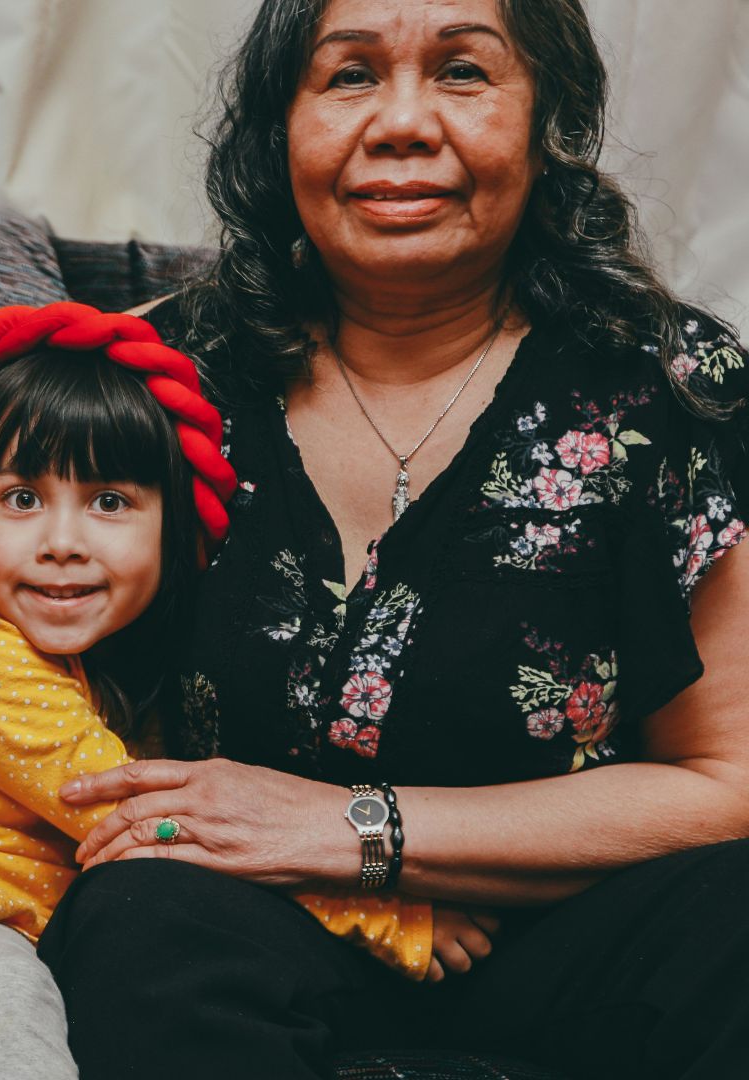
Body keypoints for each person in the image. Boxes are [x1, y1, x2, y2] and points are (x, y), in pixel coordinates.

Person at [41, 2, 749, 1077]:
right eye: (350, 75)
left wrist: (355, 829)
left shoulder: (667, 386)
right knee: (137, 916)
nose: (405, 122)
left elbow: (724, 783)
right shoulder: (160, 377)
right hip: (261, 930)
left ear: (548, 120)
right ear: (279, 128)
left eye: (463, 71)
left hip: (574, 942)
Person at [0, 302, 467, 1080]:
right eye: (22, 498)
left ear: (172, 533)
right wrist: (390, 918)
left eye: (109, 502)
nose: (61, 543)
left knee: (18, 1054)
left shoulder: (139, 672)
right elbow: (155, 822)